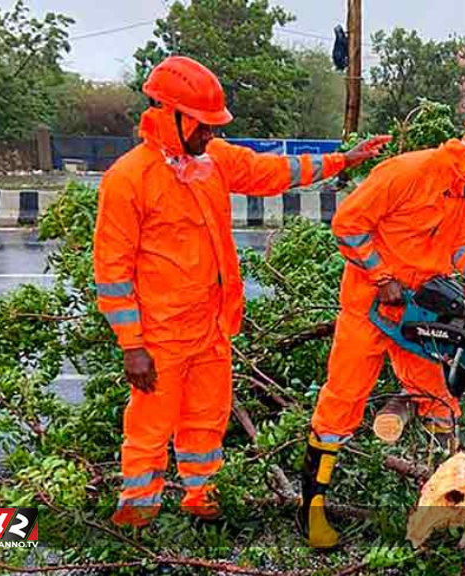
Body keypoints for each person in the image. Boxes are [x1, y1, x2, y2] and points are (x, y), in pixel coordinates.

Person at [93, 55, 389, 528]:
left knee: (207, 422)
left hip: (211, 327)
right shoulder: (129, 180)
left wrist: (342, 161)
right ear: (172, 115)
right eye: (205, 125)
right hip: (160, 337)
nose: (212, 134)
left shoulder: (211, 162)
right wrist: (132, 346)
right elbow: (112, 271)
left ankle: (201, 501)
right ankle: (137, 518)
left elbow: (273, 171)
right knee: (149, 429)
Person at [298, 114, 465, 548]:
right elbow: (348, 224)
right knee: (341, 404)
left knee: (439, 403)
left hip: (419, 313)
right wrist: (381, 276)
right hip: (369, 308)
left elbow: (464, 248)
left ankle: (447, 504)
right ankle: (312, 513)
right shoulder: (409, 171)